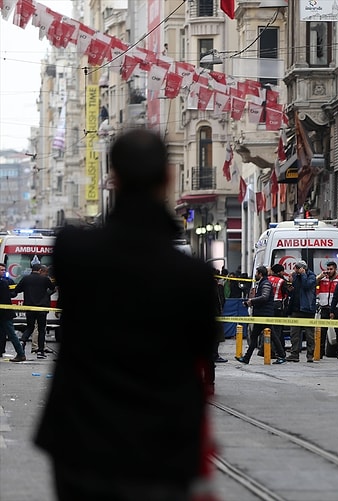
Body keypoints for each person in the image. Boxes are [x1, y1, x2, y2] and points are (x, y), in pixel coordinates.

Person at [34, 129, 220, 501]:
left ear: (112, 179)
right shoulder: (194, 277)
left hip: (82, 446)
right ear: (168, 178)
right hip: (163, 448)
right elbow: (201, 357)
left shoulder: (73, 252)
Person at [235, 265, 284, 364]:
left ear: (260, 274)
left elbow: (265, 297)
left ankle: (282, 356)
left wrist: (251, 301)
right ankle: (246, 358)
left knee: (272, 336)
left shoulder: (265, 283)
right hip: (261, 314)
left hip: (264, 315)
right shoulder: (261, 283)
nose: (255, 275)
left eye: (257, 273)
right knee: (255, 337)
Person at [14, 262, 56, 359]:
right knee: (41, 330)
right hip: (42, 308)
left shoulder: (26, 279)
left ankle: (22, 341)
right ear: (40, 270)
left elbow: (17, 290)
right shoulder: (45, 279)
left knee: (29, 327)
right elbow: (52, 288)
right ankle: (40, 352)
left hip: (29, 308)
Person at [286, 260, 317, 362]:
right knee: (294, 333)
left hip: (307, 309)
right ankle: (294, 354)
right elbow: (292, 290)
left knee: (309, 335)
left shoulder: (311, 276)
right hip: (296, 309)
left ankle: (310, 355)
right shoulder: (295, 276)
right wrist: (289, 287)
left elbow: (306, 286)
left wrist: (303, 274)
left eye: (298, 268)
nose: (296, 270)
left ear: (303, 268)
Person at [315, 260, 338, 359]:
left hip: (336, 308)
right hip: (324, 307)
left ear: (335, 269)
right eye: (328, 269)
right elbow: (313, 283)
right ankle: (320, 352)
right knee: (323, 331)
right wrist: (320, 276)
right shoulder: (323, 279)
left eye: (331, 269)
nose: (329, 271)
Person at [0, 263, 26, 362]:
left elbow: (14, 292)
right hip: (5, 312)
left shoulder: (7, 281)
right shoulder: (6, 282)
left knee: (11, 334)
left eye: (3, 270)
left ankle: (21, 353)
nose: (3, 272)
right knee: (2, 334)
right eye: (1, 270)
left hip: (5, 313)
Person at [268, 263, 290, 361]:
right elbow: (288, 291)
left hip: (268, 307)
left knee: (270, 329)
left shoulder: (267, 279)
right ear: (279, 272)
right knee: (277, 330)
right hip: (278, 306)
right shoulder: (281, 281)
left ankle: (270, 351)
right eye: (282, 271)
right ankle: (276, 352)